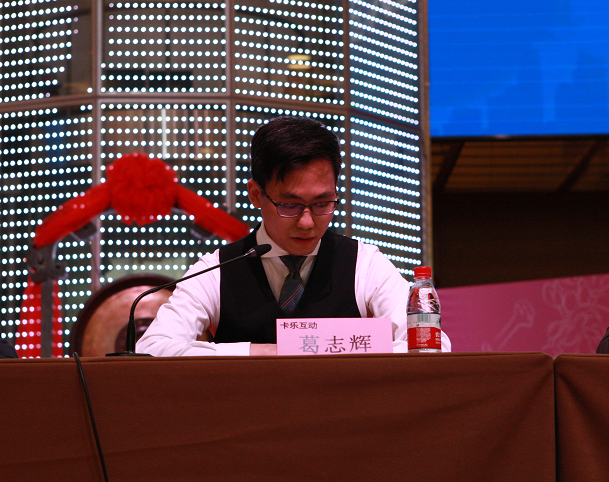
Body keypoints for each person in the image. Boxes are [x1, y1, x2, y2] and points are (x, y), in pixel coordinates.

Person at [137, 116, 451, 356]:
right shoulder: (215, 270)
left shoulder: (364, 265)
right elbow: (152, 349)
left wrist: (312, 350)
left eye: (322, 204)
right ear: (256, 195)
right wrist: (262, 352)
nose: (307, 222)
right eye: (290, 204)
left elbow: (432, 345)